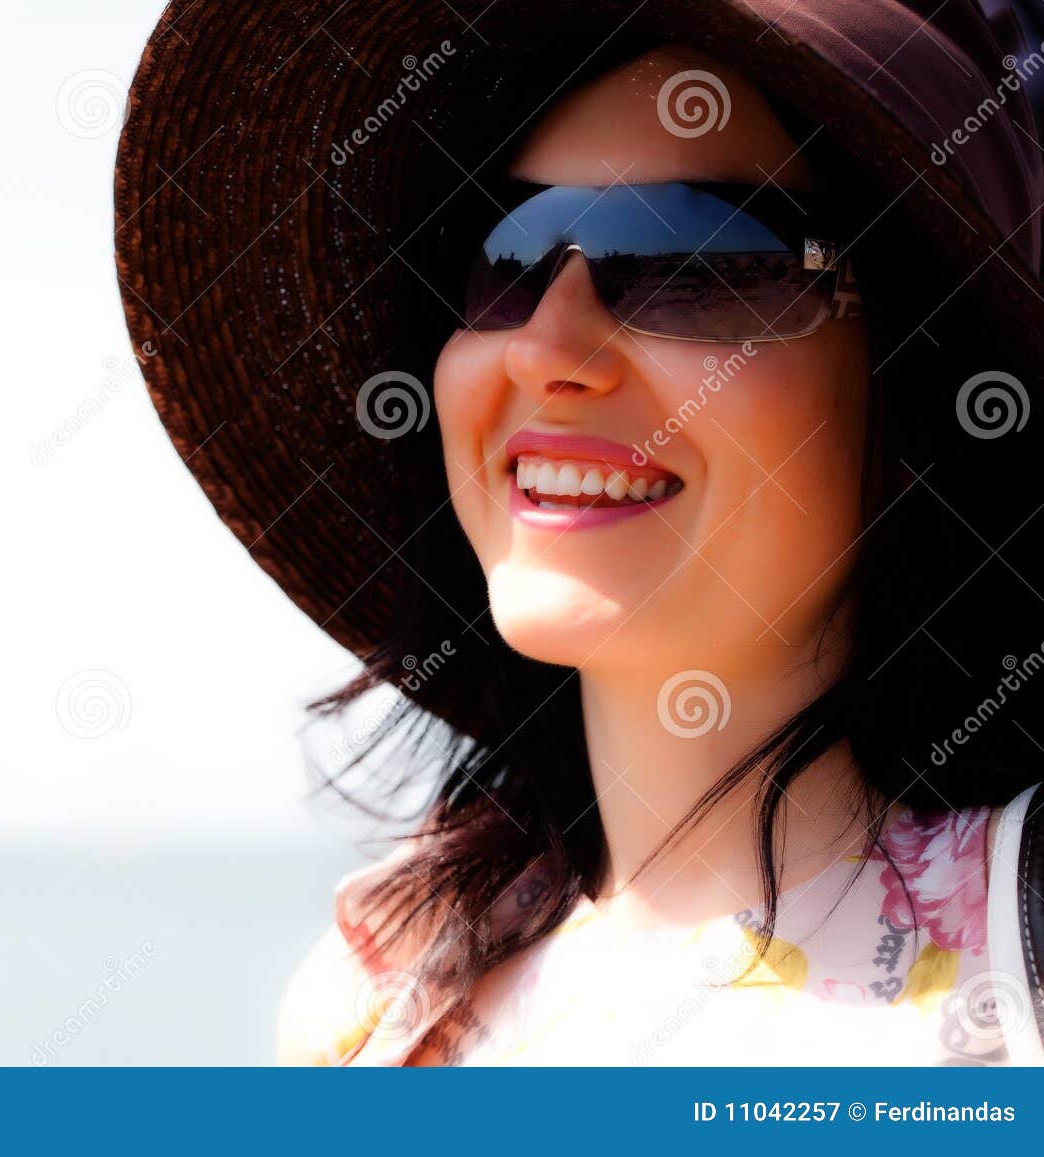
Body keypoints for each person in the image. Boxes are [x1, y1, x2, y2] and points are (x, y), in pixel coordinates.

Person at [115, 0, 1044, 1065]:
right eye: (504, 255)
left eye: (692, 260)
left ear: (921, 389)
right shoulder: (372, 1005)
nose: (545, 345)